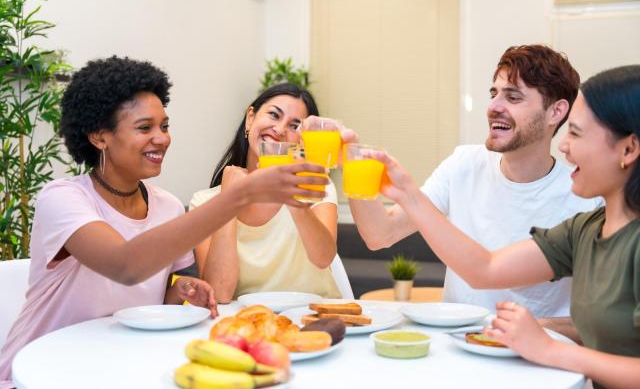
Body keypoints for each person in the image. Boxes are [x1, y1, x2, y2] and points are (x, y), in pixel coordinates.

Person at [0, 58, 328, 389]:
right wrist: (237, 197)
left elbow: (145, 301)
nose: (162, 139)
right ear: (99, 136)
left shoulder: (167, 206)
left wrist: (177, 290)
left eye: (165, 126)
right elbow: (124, 264)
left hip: (113, 366)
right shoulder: (63, 199)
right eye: (145, 128)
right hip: (36, 374)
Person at [358, 65, 640, 388]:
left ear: (628, 150)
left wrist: (547, 345)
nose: (564, 146)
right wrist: (408, 194)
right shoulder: (584, 229)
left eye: (575, 133)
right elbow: (485, 269)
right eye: (494, 93)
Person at [349, 45, 601, 328]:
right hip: (456, 348)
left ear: (556, 111)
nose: (493, 107)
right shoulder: (464, 164)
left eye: (513, 97)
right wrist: (350, 155)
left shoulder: (586, 198)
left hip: (534, 361)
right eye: (494, 94)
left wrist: (519, 332)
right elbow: (379, 234)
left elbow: (597, 324)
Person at [190, 83, 342, 303]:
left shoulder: (317, 186)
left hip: (314, 318)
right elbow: (219, 294)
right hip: (248, 323)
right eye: (273, 115)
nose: (280, 130)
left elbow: (323, 258)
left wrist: (289, 193)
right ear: (250, 118)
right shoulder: (205, 201)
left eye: (294, 125)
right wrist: (229, 200)